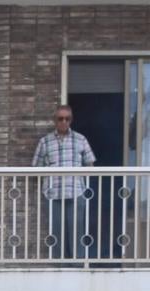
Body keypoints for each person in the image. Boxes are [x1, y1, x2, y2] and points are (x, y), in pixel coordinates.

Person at [33, 100, 95, 257]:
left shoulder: (80, 139)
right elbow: (35, 168)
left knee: (77, 232)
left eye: (67, 118)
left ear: (71, 120)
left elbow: (90, 164)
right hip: (53, 195)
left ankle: (78, 265)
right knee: (56, 234)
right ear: (55, 120)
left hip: (75, 192)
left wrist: (81, 179)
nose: (64, 121)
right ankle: (60, 266)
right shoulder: (45, 142)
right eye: (60, 118)